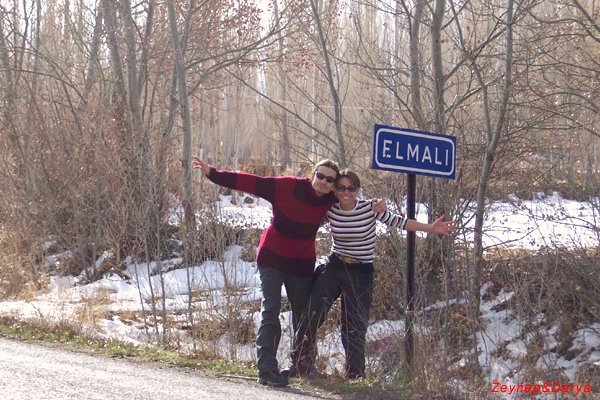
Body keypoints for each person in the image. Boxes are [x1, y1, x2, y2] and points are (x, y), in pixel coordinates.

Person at [192, 157, 386, 387]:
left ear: (333, 185)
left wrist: (377, 205)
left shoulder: (329, 201)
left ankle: (302, 365)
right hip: (272, 259)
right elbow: (252, 182)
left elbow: (351, 199)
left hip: (301, 264)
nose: (323, 182)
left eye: (329, 180)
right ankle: (267, 370)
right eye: (320, 175)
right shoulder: (287, 186)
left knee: (303, 316)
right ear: (312, 174)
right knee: (271, 311)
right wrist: (213, 173)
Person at [284, 169, 458, 380]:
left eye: (351, 188)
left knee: (354, 327)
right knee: (312, 314)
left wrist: (431, 227)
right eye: (341, 188)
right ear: (335, 190)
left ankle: (355, 376)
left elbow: (401, 222)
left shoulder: (370, 208)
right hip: (334, 267)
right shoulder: (330, 209)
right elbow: (306, 223)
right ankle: (299, 364)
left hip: (361, 272)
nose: (346, 192)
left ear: (357, 190)